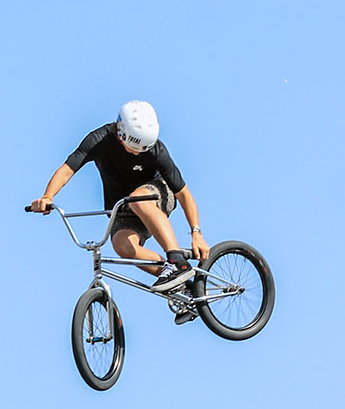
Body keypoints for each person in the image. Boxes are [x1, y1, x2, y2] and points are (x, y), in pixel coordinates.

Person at [30, 100, 210, 325]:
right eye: (134, 148)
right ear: (120, 134)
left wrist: (196, 232)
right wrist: (48, 197)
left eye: (142, 149)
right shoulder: (98, 140)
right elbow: (67, 170)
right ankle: (183, 285)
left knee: (139, 200)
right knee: (123, 246)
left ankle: (177, 262)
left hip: (157, 195)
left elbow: (184, 194)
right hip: (121, 206)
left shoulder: (157, 151)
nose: (138, 154)